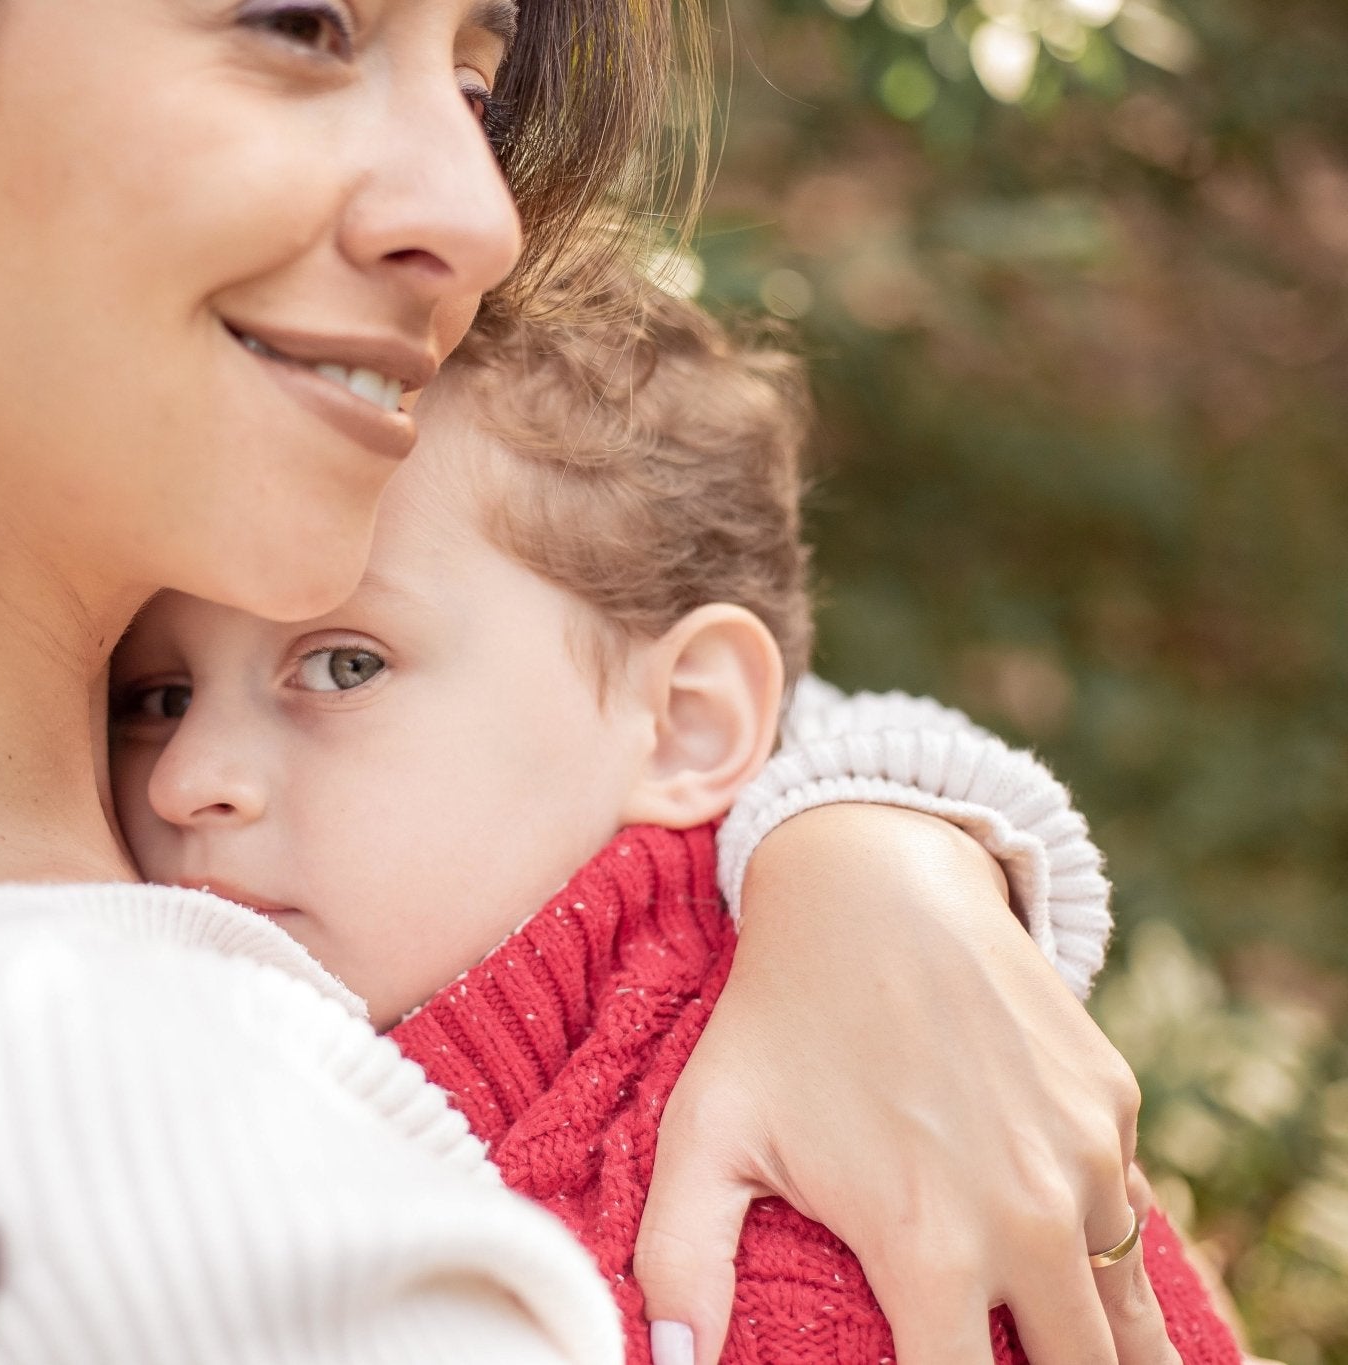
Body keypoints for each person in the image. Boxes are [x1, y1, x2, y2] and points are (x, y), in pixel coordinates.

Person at [0, 0, 1174, 1359]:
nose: (476, 211)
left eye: (471, 77)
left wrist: (865, 859)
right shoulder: (141, 1226)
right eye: (299, 22)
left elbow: (617, 704)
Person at [109, 270, 1243, 1364]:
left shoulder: (797, 1217)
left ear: (684, 726)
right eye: (154, 698)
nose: (186, 778)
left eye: (344, 665)